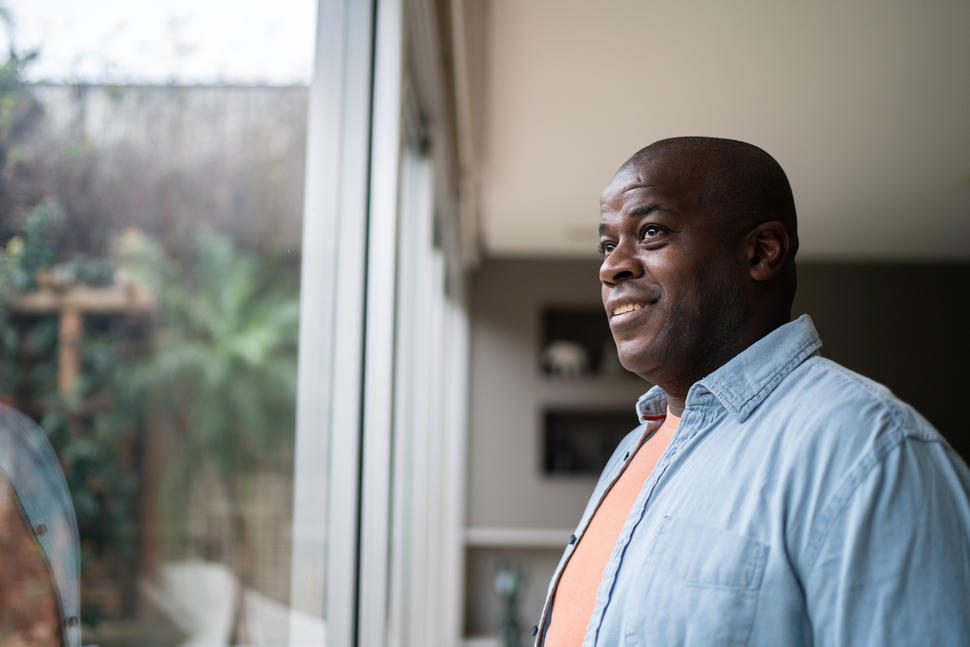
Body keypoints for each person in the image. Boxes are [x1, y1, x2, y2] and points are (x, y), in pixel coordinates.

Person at [534, 137, 970, 646]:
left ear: (762, 252)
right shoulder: (636, 447)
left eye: (650, 232)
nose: (611, 268)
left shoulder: (872, 452)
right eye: (608, 245)